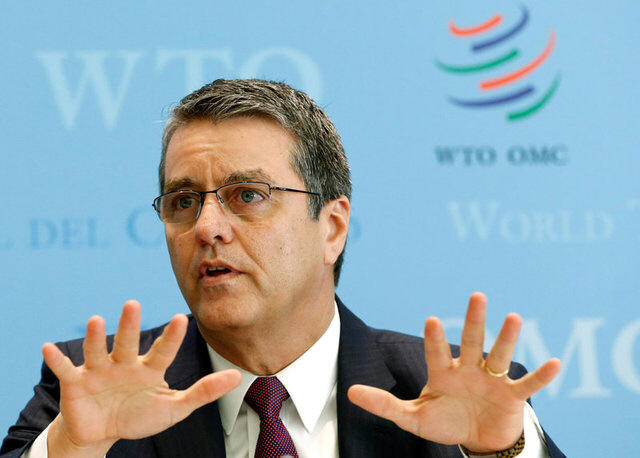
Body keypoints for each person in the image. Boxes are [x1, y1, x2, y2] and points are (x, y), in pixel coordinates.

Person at [0, 79, 564, 458]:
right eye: (184, 201)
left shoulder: (446, 394)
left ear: (332, 228)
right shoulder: (91, 393)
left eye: (247, 195)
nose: (207, 227)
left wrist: (500, 453)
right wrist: (73, 449)